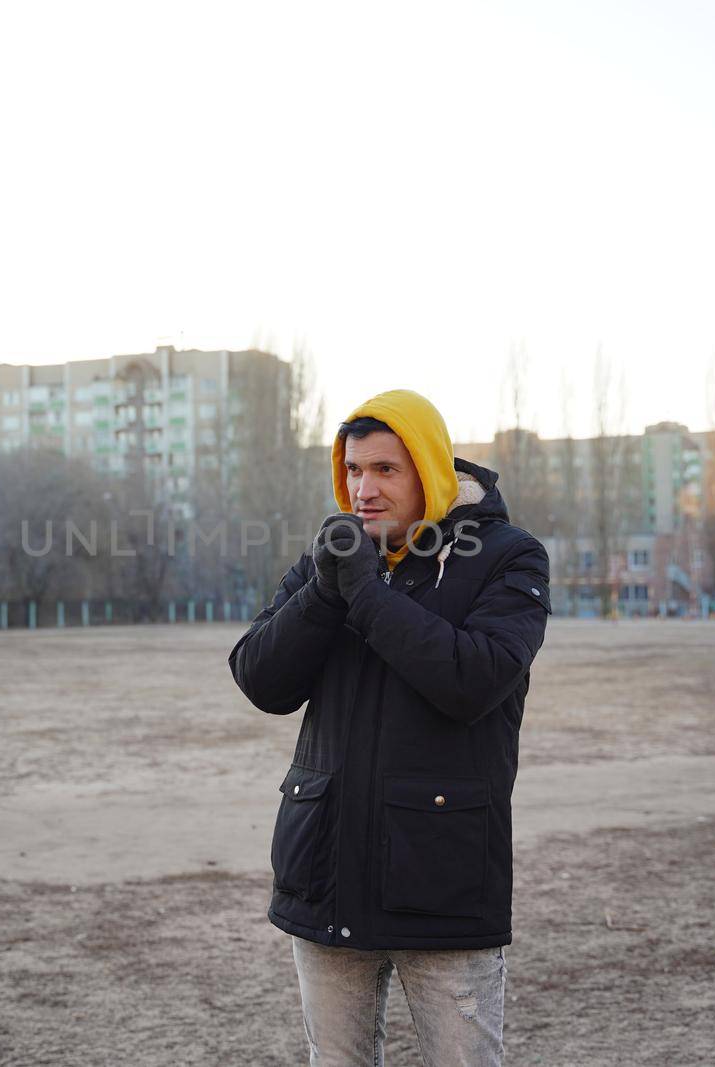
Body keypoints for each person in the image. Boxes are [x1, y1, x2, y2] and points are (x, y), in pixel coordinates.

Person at [227, 389, 552, 1066]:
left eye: (384, 469)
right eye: (351, 470)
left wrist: (367, 591)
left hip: (443, 886)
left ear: (428, 471)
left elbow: (473, 679)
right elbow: (260, 677)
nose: (362, 488)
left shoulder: (508, 557)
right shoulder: (332, 557)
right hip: (326, 877)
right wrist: (325, 586)